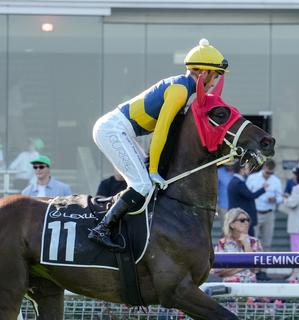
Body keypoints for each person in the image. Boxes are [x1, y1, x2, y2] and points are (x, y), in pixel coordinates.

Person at [88, 38, 228, 250]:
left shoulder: (185, 89)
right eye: (215, 75)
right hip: (111, 130)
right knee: (143, 183)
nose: (216, 81)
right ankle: (102, 229)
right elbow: (161, 130)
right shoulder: (180, 90)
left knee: (144, 181)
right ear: (203, 73)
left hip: (121, 131)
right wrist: (153, 168)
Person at [212, 208, 263, 283]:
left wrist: (246, 244)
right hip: (230, 286)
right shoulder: (222, 243)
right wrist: (244, 265)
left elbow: (256, 269)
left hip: (251, 286)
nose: (246, 223)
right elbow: (218, 272)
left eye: (248, 220)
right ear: (232, 224)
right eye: (242, 220)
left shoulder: (254, 241)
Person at [246, 159, 282, 251]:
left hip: (269, 214)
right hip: (255, 213)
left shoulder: (276, 181)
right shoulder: (252, 178)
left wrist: (275, 199)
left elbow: (280, 197)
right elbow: (247, 195)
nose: (269, 175)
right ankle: (253, 264)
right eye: (267, 172)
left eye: (271, 173)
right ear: (264, 167)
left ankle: (265, 265)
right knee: (253, 241)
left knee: (267, 243)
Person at [228, 160, 267, 236]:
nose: (248, 169)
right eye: (246, 167)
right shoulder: (238, 183)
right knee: (248, 242)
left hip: (240, 218)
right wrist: (263, 189)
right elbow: (251, 195)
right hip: (241, 219)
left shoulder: (236, 181)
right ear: (241, 169)